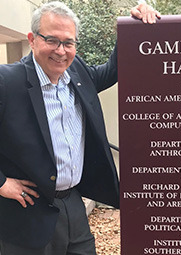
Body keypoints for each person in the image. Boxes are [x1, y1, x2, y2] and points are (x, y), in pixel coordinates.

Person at [0, 1, 160, 254]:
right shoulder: (7, 81)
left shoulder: (77, 73)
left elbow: (113, 70)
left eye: (69, 42)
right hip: (25, 213)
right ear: (32, 39)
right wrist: (1, 183)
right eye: (51, 40)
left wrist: (133, 27)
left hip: (73, 204)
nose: (61, 51)